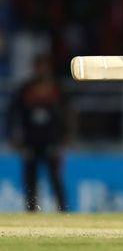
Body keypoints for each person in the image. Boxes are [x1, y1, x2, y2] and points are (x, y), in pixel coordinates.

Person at [7, 54, 68, 212]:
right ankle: (31, 211)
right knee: (30, 180)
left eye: (45, 66)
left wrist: (66, 136)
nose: (42, 70)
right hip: (30, 141)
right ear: (35, 68)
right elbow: (12, 113)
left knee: (55, 179)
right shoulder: (25, 89)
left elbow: (68, 114)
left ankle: (62, 211)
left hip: (51, 141)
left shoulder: (56, 89)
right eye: (39, 66)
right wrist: (12, 136)